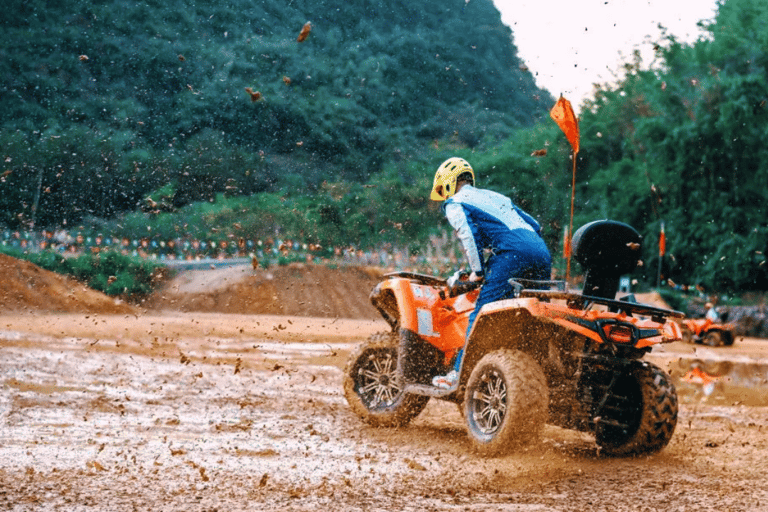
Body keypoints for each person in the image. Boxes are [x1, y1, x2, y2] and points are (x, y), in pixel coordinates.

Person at [429, 157, 552, 389]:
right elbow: (535, 225)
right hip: (541, 251)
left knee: (483, 313)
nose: (443, 197)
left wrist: (477, 272)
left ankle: (457, 374)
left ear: (446, 183)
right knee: (537, 318)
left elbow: (468, 235)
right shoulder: (497, 197)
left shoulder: (455, 202)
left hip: (512, 254)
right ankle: (540, 375)